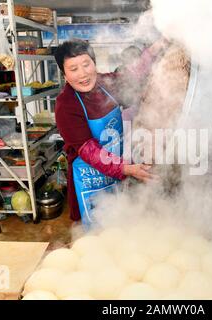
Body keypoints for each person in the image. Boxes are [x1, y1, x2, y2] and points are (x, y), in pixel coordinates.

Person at [54, 38, 168, 224]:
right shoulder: (66, 104)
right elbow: (89, 151)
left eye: (86, 64)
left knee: (120, 227)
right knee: (98, 237)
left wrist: (156, 47)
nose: (82, 74)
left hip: (117, 176)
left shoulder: (106, 84)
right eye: (73, 69)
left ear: (94, 64)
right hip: (89, 181)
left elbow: (133, 76)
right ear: (64, 75)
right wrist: (128, 168)